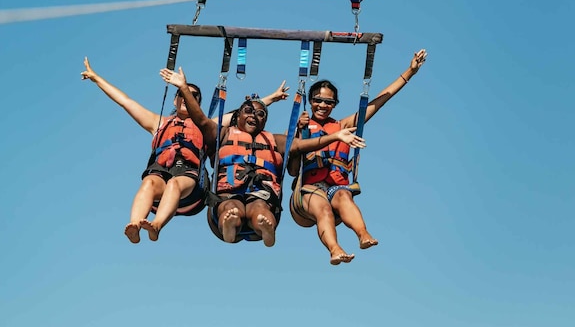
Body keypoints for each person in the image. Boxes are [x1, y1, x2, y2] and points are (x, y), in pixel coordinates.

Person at [81, 57, 290, 243]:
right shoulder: (159, 123)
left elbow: (245, 114)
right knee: (148, 182)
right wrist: (96, 78)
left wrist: (269, 98)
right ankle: (135, 225)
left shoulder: (207, 125)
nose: (186, 97)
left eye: (193, 96)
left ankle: (157, 225)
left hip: (190, 183)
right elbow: (126, 102)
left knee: (174, 184)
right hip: (161, 174)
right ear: (175, 99)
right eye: (182, 94)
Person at [162, 67, 364, 247]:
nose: (253, 116)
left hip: (262, 193)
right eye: (248, 111)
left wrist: (335, 136)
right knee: (231, 207)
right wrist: (184, 89)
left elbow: (302, 145)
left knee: (260, 209)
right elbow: (202, 121)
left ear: (265, 121)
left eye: (260, 114)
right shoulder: (223, 134)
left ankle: (264, 227)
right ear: (237, 117)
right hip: (227, 193)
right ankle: (229, 225)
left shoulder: (275, 140)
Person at [288, 49, 427, 265]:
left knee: (344, 196)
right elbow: (292, 170)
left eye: (329, 102)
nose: (323, 106)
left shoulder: (343, 126)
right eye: (318, 100)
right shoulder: (302, 129)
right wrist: (300, 133)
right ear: (311, 101)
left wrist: (409, 72)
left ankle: (363, 235)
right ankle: (335, 249)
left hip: (336, 187)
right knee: (323, 208)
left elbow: (376, 104)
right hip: (309, 190)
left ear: (335, 104)